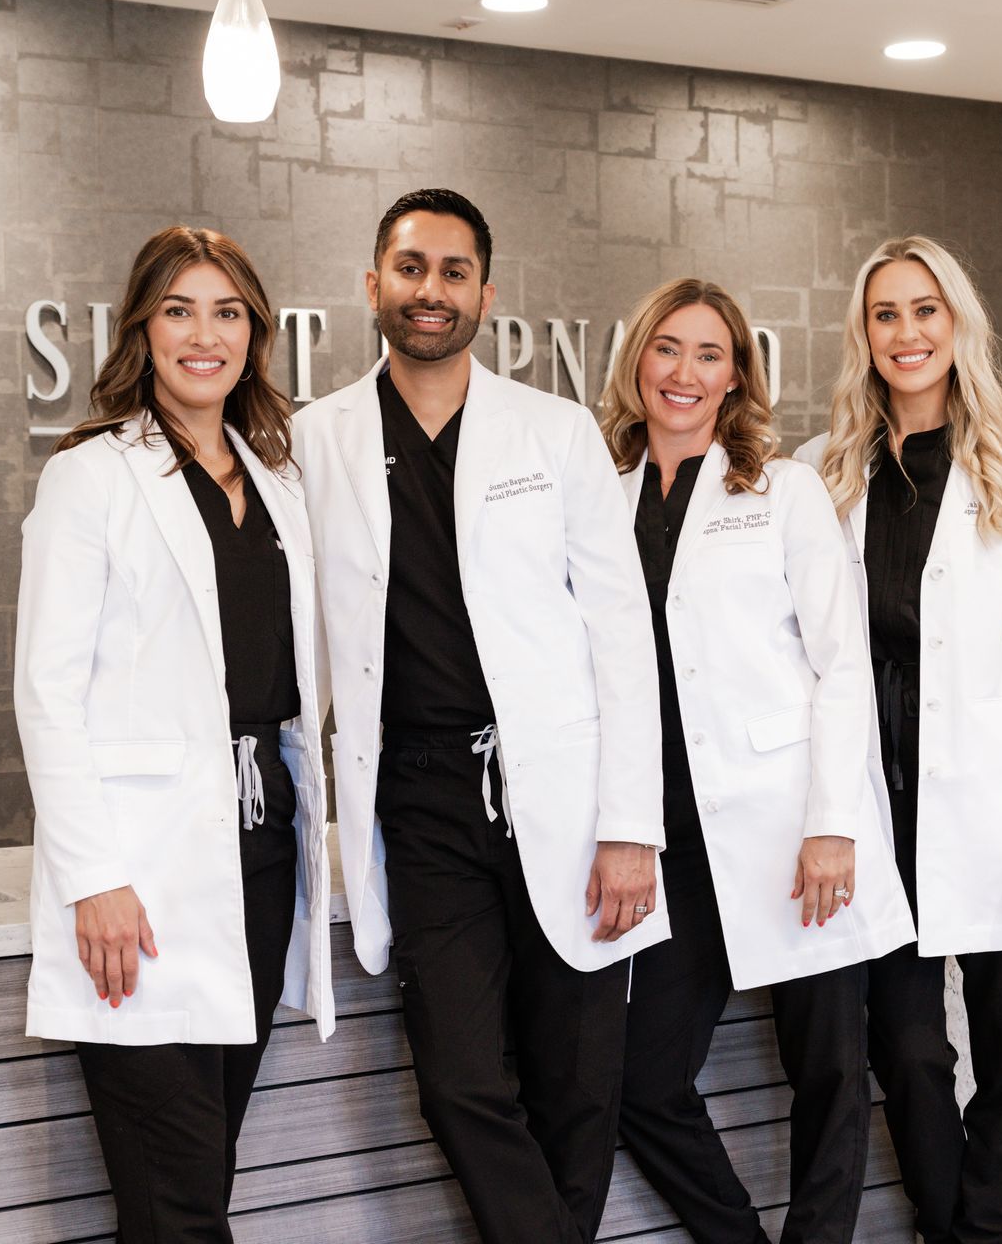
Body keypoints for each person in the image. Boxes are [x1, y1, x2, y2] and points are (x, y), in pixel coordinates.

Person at [291, 188, 667, 1244]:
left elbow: (620, 636)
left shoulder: (553, 432)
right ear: (374, 284)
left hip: (564, 787)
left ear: (486, 294)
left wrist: (632, 825)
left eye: (454, 272)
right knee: (459, 1080)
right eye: (411, 268)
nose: (431, 291)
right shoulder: (317, 439)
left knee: (579, 1088)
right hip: (420, 794)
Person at [14, 226, 333, 1242]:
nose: (206, 335)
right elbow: (45, 692)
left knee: (202, 1174)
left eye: (228, 312)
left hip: (261, 857)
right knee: (178, 1196)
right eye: (181, 310)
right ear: (142, 330)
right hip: (140, 878)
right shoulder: (92, 475)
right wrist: (93, 877)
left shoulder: (277, 481)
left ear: (256, 333)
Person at [602, 279, 915, 1244]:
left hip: (790, 822)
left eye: (709, 355)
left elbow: (841, 664)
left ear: (738, 375)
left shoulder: (782, 491)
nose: (684, 374)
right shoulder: (601, 499)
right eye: (667, 349)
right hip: (671, 834)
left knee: (828, 1068)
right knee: (639, 1078)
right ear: (636, 362)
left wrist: (833, 824)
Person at [795, 236, 1002, 1244]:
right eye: (886, 314)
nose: (907, 332)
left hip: (991, 796)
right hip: (876, 791)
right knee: (907, 1045)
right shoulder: (822, 472)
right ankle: (955, 1220)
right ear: (863, 335)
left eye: (925, 310)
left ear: (955, 324)